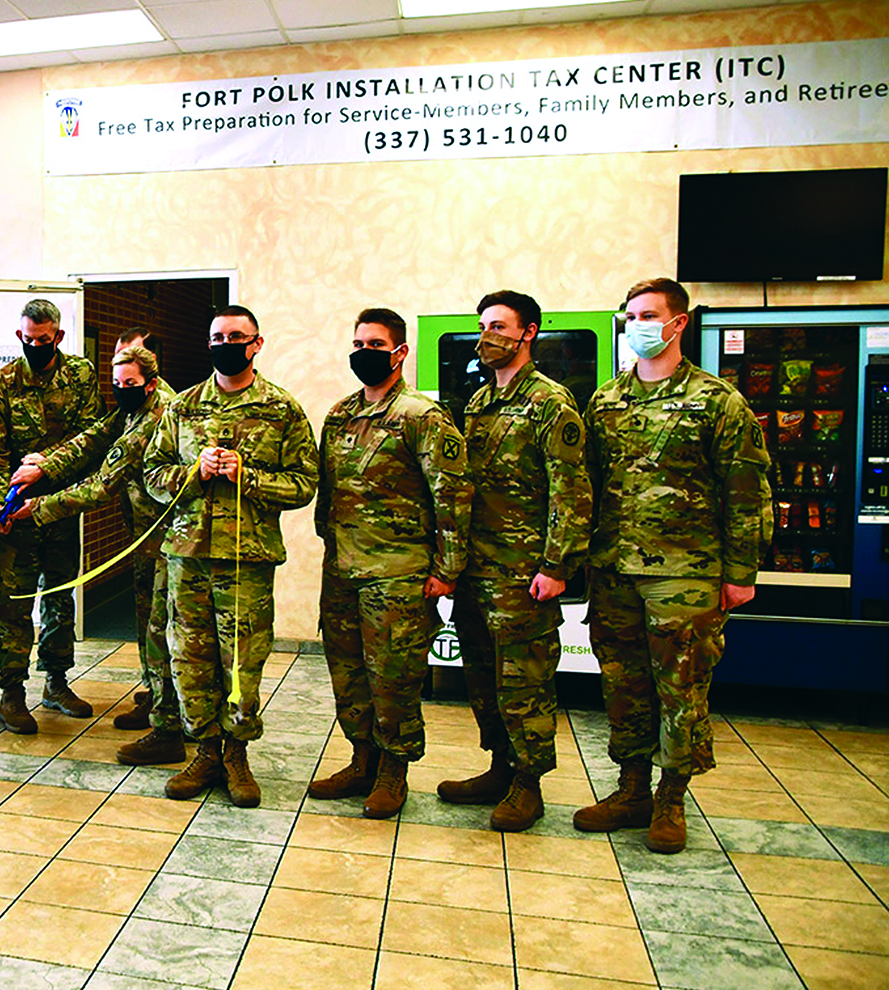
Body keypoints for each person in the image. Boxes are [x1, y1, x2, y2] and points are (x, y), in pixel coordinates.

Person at [576, 278, 772, 853]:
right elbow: (587, 485)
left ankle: (671, 798)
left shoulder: (717, 401)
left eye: (648, 315)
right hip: (613, 570)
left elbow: (747, 493)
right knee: (622, 685)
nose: (636, 324)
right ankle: (631, 788)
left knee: (681, 689)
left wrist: (741, 574)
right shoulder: (606, 400)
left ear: (678, 323)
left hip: (685, 574)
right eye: (629, 315)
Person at [144, 306, 317, 807]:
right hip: (187, 555)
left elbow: (304, 484)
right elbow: (153, 474)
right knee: (189, 659)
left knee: (241, 662)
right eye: (217, 336)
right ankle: (205, 751)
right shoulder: (184, 407)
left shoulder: (281, 409)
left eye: (236, 336)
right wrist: (192, 472)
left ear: (257, 343)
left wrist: (250, 476)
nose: (225, 343)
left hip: (247, 559)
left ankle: (237, 754)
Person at [436, 291, 592, 832]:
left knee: (524, 680)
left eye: (499, 326)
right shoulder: (478, 403)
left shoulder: (551, 403)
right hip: (477, 568)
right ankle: (499, 767)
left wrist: (556, 565)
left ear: (529, 333)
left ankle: (529, 784)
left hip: (525, 572)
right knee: (481, 675)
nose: (487, 336)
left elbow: (570, 491)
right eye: (483, 326)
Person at [310, 307, 471, 819]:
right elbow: (328, 494)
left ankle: (394, 770)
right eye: (358, 344)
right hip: (342, 570)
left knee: (394, 679)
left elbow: (452, 497)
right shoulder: (339, 414)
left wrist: (446, 569)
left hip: (398, 575)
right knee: (348, 674)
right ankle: (362, 759)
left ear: (400, 352)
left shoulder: (422, 417)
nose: (364, 353)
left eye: (376, 345)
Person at [10, 345, 183, 766]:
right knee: (150, 623)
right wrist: (46, 465)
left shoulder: (155, 417)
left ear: (152, 383)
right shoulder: (132, 411)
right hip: (146, 536)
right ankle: (158, 698)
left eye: (131, 384)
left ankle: (170, 723)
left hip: (168, 541)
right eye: (117, 384)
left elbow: (103, 484)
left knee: (164, 630)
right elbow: (93, 439)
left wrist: (41, 507)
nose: (122, 391)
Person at [0, 299, 105, 733]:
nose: (35, 346)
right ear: (20, 337)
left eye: (43, 340)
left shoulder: (81, 375)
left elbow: (92, 439)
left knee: (60, 598)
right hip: (15, 514)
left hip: (60, 509)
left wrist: (46, 464)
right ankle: (12, 692)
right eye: (28, 340)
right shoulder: (2, 383)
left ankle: (56, 681)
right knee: (13, 606)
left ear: (58, 337)